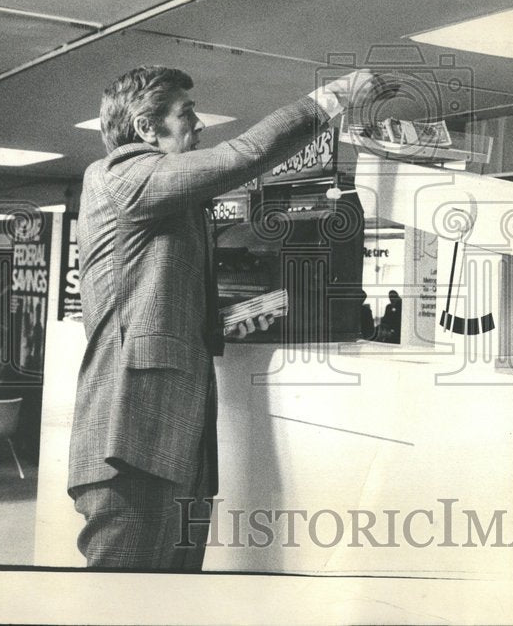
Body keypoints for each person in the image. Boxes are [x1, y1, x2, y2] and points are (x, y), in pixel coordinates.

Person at [67, 65, 388, 569]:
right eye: (185, 114)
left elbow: (157, 295)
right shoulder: (122, 175)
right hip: (130, 442)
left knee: (175, 602)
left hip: (173, 444)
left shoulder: (164, 201)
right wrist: (335, 97)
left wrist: (243, 313)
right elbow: (241, 156)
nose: (199, 126)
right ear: (147, 128)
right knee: (119, 602)